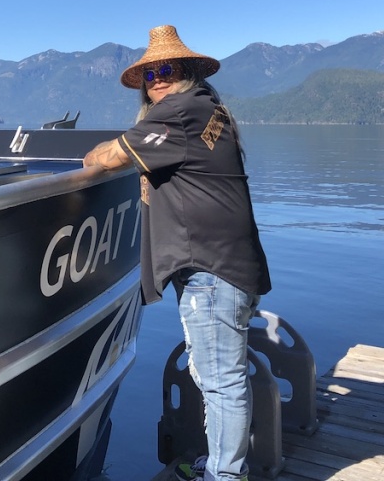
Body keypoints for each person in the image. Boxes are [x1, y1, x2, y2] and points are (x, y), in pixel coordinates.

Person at [83, 25, 271, 481]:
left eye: (167, 69)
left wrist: (89, 159)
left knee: (221, 382)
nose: (158, 79)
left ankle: (226, 476)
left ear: (186, 71)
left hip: (210, 268)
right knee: (214, 376)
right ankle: (222, 464)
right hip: (227, 263)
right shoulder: (210, 111)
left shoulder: (179, 113)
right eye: (150, 74)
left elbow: (108, 158)